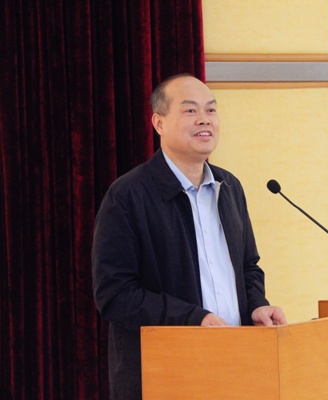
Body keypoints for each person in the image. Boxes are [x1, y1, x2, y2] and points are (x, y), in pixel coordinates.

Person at [92, 73, 287, 400]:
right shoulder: (128, 195)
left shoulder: (229, 187)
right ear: (159, 123)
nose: (204, 119)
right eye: (190, 110)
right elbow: (114, 294)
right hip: (164, 376)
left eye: (211, 110)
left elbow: (248, 267)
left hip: (235, 367)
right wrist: (193, 319)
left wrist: (256, 306)